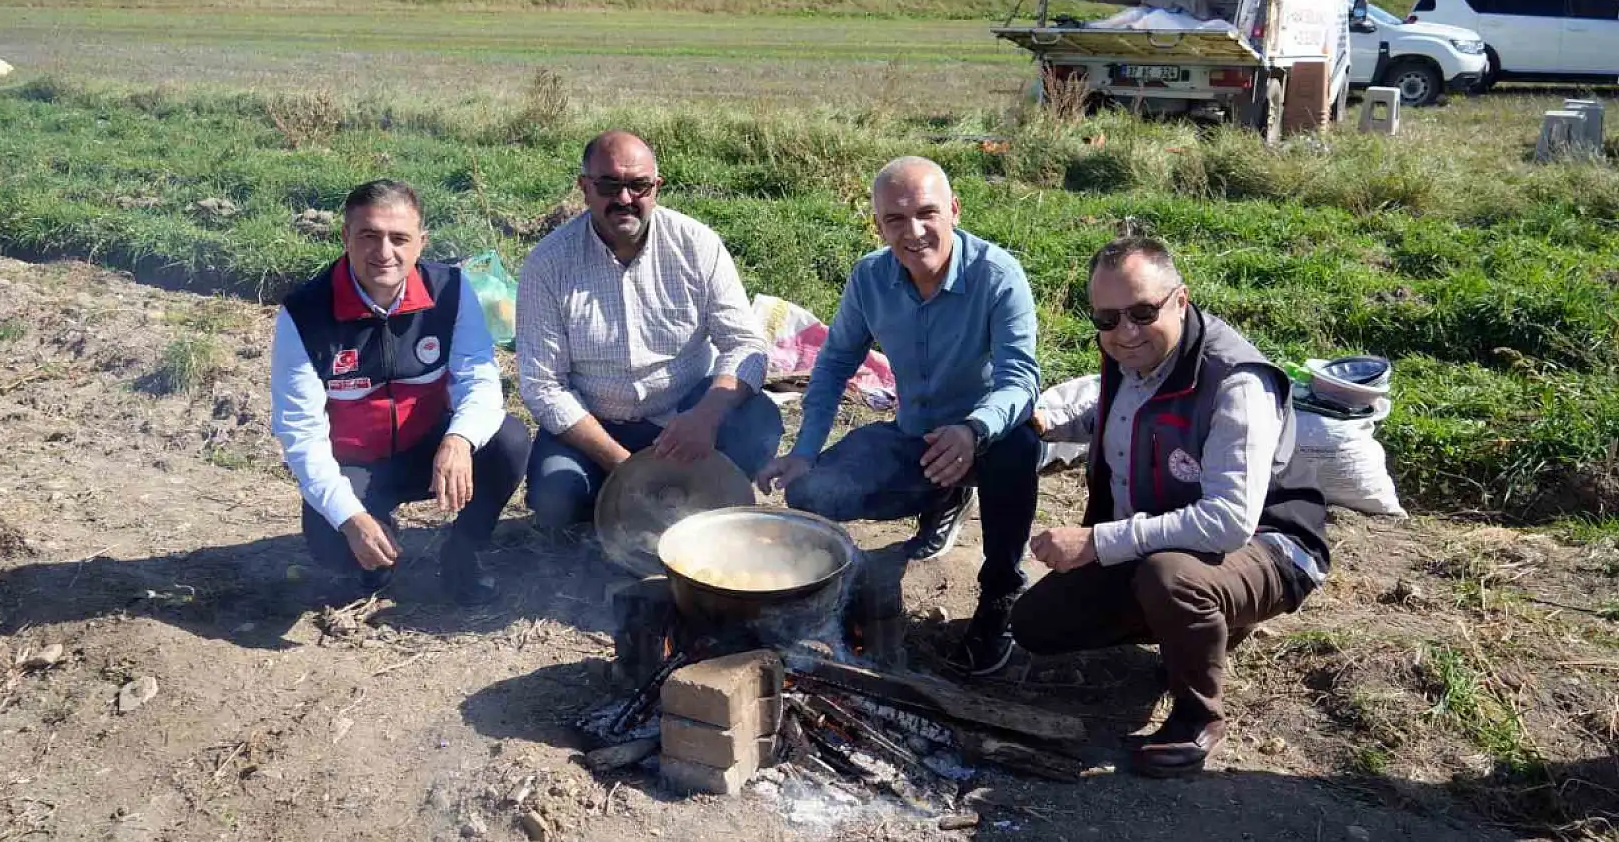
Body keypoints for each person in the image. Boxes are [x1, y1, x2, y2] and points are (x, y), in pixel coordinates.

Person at [1011, 236, 1329, 778]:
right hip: (1167, 534)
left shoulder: (1236, 382)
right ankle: (1196, 625)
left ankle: (1197, 716)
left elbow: (1228, 521)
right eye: (1108, 318)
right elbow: (1104, 410)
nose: (1125, 332)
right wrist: (1036, 419)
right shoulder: (1128, 355)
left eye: (1141, 312)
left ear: (1179, 300)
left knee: (1171, 578)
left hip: (1270, 545)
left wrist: (1095, 542)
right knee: (1036, 624)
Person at [758, 156, 1042, 677]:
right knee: (811, 491)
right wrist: (802, 453)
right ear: (878, 224)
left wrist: (973, 430)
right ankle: (939, 504)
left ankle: (999, 594)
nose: (913, 232)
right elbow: (833, 367)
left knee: (1020, 450)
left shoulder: (997, 277)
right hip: (914, 436)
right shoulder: (870, 278)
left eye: (927, 213)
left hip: (986, 436)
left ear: (954, 210)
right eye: (895, 219)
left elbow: (1021, 380)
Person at [270, 180, 531, 605]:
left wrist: (459, 440)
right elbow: (300, 434)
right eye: (369, 236)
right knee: (334, 543)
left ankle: (463, 553)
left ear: (421, 242)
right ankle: (375, 558)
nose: (384, 252)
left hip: (426, 450)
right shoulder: (303, 313)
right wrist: (350, 517)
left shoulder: (452, 290)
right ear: (345, 237)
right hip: (353, 464)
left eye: (399, 238)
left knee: (509, 440)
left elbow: (480, 381)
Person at [516, 130, 781, 533]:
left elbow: (745, 344)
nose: (624, 199)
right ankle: (620, 499)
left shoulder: (697, 245)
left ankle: (708, 494)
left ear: (656, 187)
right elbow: (543, 385)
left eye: (638, 185)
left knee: (759, 420)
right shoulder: (548, 264)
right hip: (597, 424)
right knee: (556, 496)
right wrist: (624, 466)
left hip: (684, 415)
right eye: (608, 185)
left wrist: (706, 417)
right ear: (584, 188)